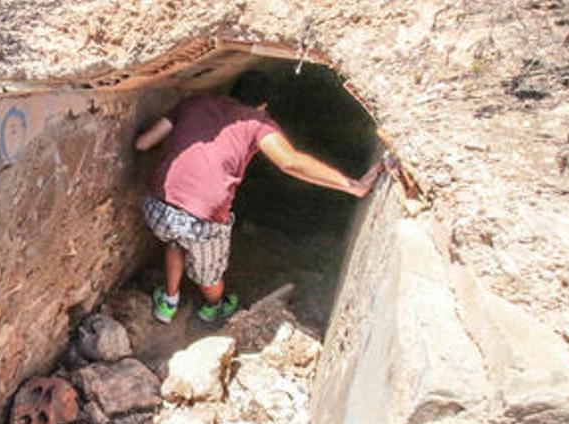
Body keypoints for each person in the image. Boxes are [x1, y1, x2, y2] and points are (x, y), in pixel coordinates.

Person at [135, 69, 386, 324]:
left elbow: (143, 143)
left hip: (158, 208)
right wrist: (351, 185)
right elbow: (289, 162)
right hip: (203, 222)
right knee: (209, 275)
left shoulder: (195, 102)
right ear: (263, 105)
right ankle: (214, 306)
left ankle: (168, 301)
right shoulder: (257, 122)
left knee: (176, 241)